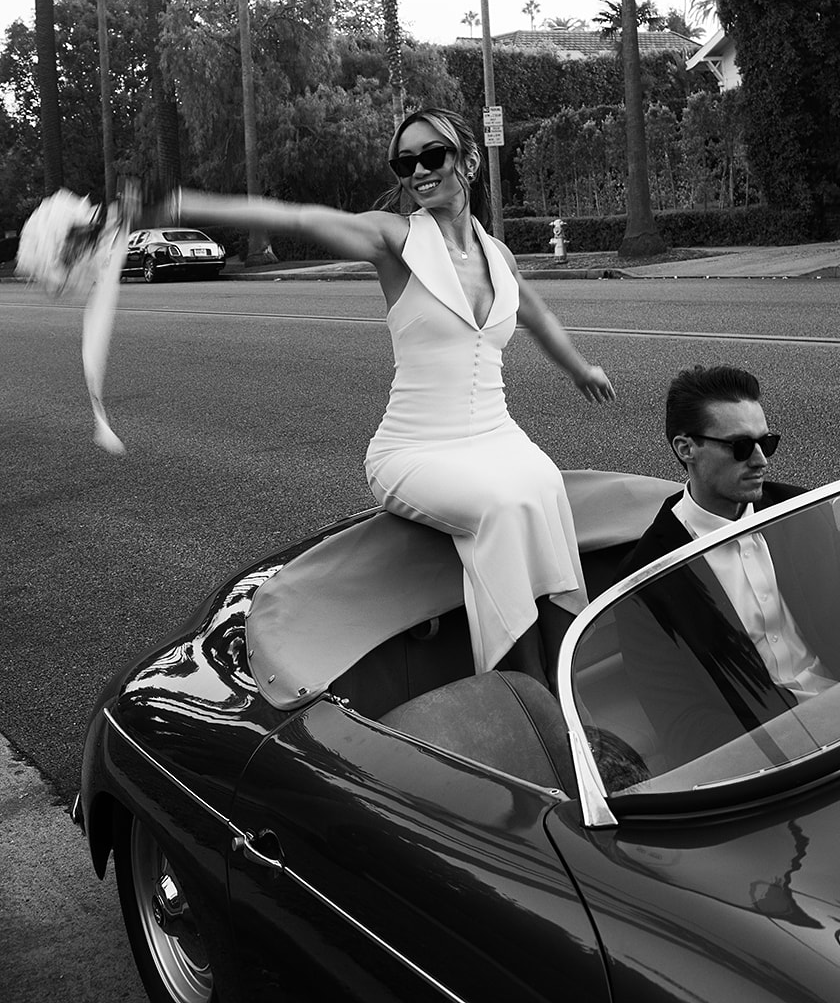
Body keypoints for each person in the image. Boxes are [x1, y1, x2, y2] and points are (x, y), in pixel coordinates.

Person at [149, 107, 615, 689]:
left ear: (468, 161)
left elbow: (536, 314)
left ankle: (570, 672)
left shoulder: (498, 255)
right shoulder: (395, 239)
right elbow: (294, 217)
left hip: (498, 436)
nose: (417, 171)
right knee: (502, 505)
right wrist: (179, 204)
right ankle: (520, 693)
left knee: (544, 488)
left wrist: (580, 368)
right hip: (416, 449)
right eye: (404, 162)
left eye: (431, 156)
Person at [612, 364, 840, 768]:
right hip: (781, 761)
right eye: (740, 447)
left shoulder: (797, 508)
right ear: (686, 449)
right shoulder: (646, 580)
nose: (761, 460)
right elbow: (684, 723)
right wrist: (790, 755)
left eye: (767, 442)